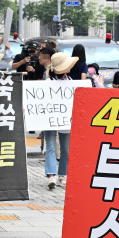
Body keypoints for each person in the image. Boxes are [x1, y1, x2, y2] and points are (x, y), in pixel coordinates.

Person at [43, 52, 77, 189]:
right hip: (50, 119)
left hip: (66, 120)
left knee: (66, 150)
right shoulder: (47, 83)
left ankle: (63, 174)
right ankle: (51, 175)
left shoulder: (71, 83)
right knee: (51, 147)